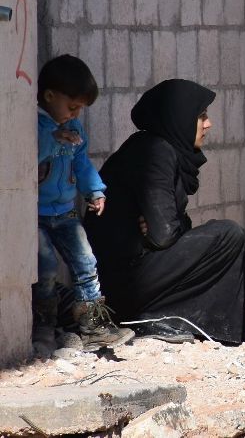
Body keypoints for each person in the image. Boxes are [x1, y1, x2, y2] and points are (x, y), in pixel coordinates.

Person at [86, 79, 245, 345]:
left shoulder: (159, 148)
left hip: (133, 276)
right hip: (122, 285)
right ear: (179, 117)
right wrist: (163, 229)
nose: (208, 124)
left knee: (221, 236)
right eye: (201, 116)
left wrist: (166, 227)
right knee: (229, 235)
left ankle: (170, 317)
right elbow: (165, 235)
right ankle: (144, 317)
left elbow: (167, 229)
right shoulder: (154, 152)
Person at [33, 55, 134, 356]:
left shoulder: (74, 127)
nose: (75, 114)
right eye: (72, 107)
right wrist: (54, 139)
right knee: (46, 268)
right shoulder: (35, 124)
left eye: (79, 109)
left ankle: (94, 327)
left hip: (65, 212)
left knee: (86, 262)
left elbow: (81, 162)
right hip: (36, 215)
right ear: (49, 96)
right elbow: (30, 155)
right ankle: (43, 325)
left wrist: (95, 190)